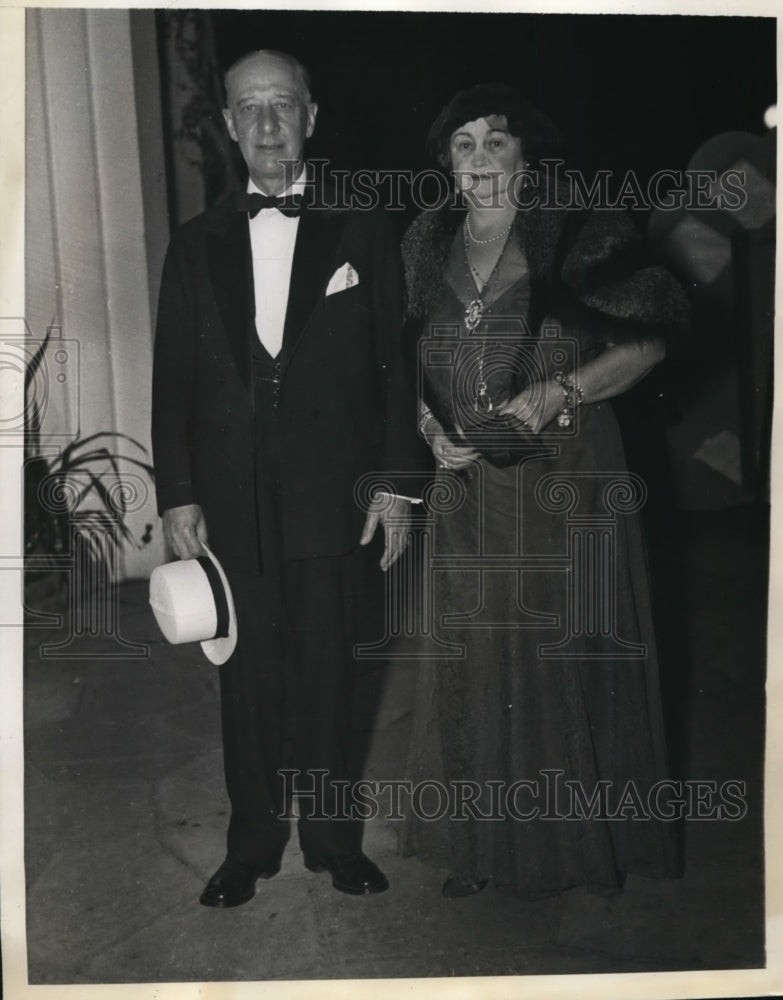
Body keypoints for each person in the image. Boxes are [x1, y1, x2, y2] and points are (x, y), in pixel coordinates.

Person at [399, 83, 689, 899]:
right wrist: (427, 428)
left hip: (567, 478)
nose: (480, 159)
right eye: (463, 144)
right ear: (446, 166)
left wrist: (561, 391)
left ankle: (574, 845)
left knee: (558, 648)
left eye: (496, 141)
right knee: (479, 657)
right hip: (466, 487)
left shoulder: (580, 229)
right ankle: (484, 846)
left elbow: (648, 344)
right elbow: (407, 356)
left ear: (526, 157)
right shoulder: (425, 240)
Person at [152, 49, 418, 906]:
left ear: (311, 116)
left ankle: (335, 842)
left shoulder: (363, 230)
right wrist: (179, 494)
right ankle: (251, 845)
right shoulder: (196, 247)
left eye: (282, 105)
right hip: (230, 501)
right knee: (249, 677)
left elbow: (395, 369)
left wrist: (393, 486)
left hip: (333, 494)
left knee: (330, 670)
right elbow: (173, 383)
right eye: (248, 108)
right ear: (228, 125)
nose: (266, 124)